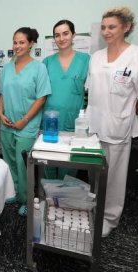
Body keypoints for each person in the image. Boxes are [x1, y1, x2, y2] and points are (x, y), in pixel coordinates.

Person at [86, 6, 138, 237]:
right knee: (94, 172)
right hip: (93, 126)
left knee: (115, 175)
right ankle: (95, 208)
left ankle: (109, 218)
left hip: (118, 126)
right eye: (104, 27)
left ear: (126, 27)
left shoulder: (135, 56)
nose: (106, 31)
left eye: (112, 27)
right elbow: (91, 90)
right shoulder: (96, 57)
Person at [0, 27, 51, 216]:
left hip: (26, 126)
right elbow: (2, 93)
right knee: (9, 162)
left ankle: (27, 199)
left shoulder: (39, 68)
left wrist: (25, 120)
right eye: (15, 42)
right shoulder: (6, 67)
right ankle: (13, 192)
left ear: (31, 44)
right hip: (7, 124)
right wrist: (0, 113)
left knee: (23, 165)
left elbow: (41, 98)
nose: (17, 46)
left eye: (22, 42)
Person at [43, 20, 90, 179]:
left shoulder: (86, 60)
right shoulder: (47, 62)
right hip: (50, 121)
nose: (61, 38)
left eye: (65, 33)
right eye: (57, 35)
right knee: (48, 162)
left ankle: (66, 200)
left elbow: (92, 91)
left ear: (73, 35)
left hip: (74, 121)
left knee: (69, 164)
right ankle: (49, 199)